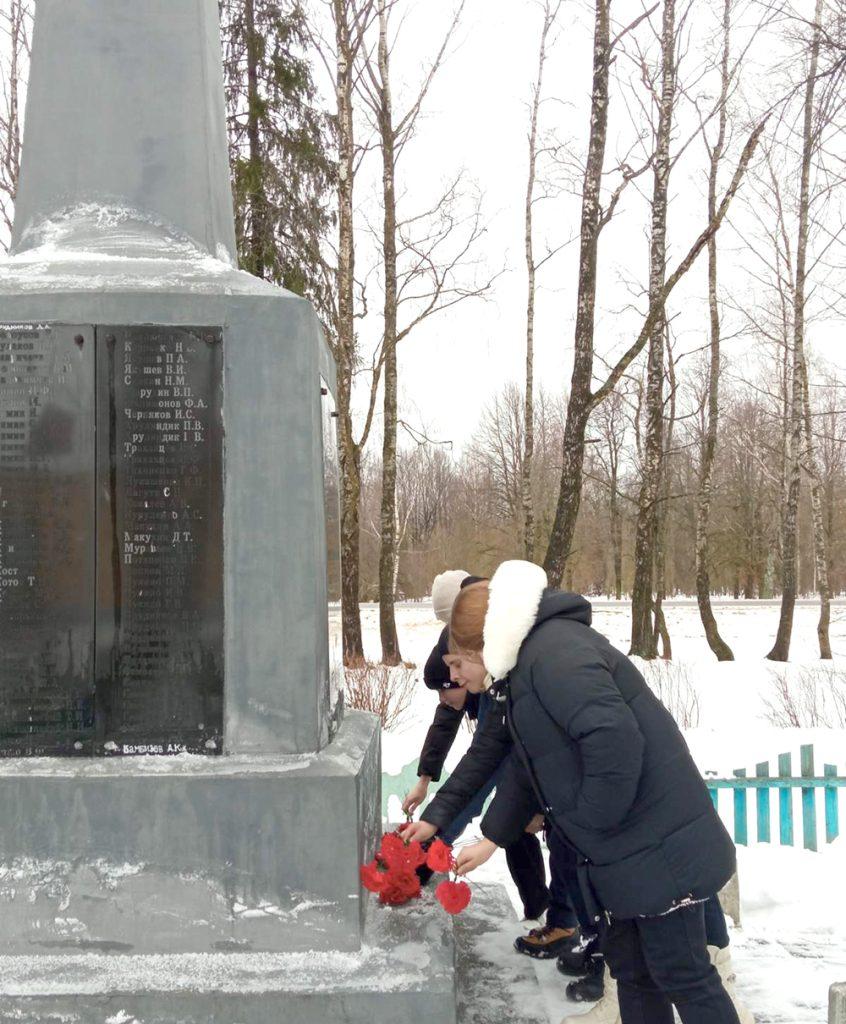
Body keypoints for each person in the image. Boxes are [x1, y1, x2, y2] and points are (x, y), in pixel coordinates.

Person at [405, 560, 747, 1024]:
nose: (457, 676)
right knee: (633, 972)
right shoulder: (521, 671)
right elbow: (514, 758)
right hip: (624, 850)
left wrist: (586, 822)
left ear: (483, 643)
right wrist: (463, 827)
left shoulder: (555, 656)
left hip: (657, 844)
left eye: (456, 663)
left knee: (682, 974)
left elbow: (614, 741)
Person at [402, 570, 578, 954]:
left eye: (457, 670)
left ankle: (565, 921)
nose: (453, 680)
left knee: (561, 841)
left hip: (583, 799)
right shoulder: (487, 674)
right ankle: (550, 913)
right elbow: (482, 755)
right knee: (524, 827)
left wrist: (447, 841)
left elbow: (497, 766)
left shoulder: (521, 676)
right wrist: (431, 803)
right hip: (554, 789)